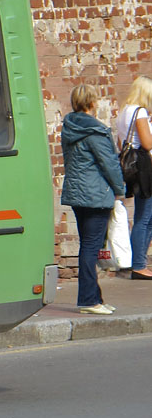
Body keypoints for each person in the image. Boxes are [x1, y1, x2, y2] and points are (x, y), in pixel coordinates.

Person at [60, 84, 124, 315]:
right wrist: (120, 189)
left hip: (77, 195)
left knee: (89, 246)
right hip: (96, 195)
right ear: (92, 102)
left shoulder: (69, 128)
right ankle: (89, 300)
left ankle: (95, 297)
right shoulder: (96, 131)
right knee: (91, 247)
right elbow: (109, 164)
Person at [115, 76, 152, 279]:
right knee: (144, 217)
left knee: (145, 215)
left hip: (133, 167)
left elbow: (122, 144)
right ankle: (139, 264)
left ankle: (139, 262)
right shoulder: (140, 112)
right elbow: (146, 143)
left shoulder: (124, 111)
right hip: (144, 167)